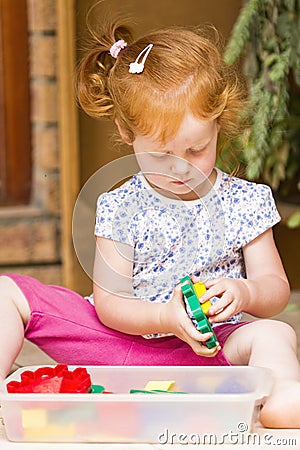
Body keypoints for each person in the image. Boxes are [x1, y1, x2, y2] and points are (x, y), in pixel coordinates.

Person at [1, 19, 299, 429]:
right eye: (162, 156)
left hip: (210, 352)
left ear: (218, 124)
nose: (181, 167)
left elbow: (275, 289)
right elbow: (110, 305)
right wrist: (164, 318)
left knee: (275, 334)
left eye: (196, 149)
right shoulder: (120, 205)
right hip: (120, 349)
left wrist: (245, 291)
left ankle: (284, 396)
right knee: (9, 292)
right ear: (127, 133)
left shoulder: (245, 201)